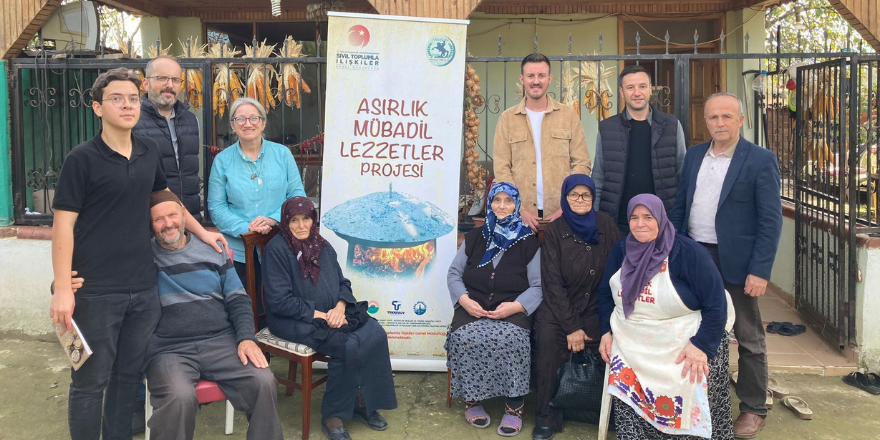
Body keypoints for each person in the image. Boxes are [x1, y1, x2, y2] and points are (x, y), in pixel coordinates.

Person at [50, 68, 226, 440]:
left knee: (127, 380)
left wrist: (203, 233)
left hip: (143, 290)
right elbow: (63, 225)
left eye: (132, 98)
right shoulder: (81, 159)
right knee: (89, 381)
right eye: (116, 99)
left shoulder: (147, 152)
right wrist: (63, 287)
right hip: (95, 290)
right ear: (98, 107)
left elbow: (168, 200)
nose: (127, 105)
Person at [670, 92, 783, 439]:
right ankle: (699, 396)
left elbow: (770, 221)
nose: (719, 123)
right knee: (692, 329)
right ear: (705, 122)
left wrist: (760, 270)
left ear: (741, 119)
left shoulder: (760, 160)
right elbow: (679, 206)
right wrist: (671, 250)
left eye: (726, 117)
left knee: (747, 336)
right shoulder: (693, 156)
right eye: (713, 118)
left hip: (736, 261)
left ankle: (752, 407)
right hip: (694, 255)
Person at [598, 194, 734, 439]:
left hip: (683, 339)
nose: (640, 224)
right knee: (624, 379)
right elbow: (605, 294)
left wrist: (701, 345)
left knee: (692, 375)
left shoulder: (687, 252)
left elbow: (716, 304)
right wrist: (605, 333)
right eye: (634, 218)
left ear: (660, 218)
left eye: (648, 217)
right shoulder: (621, 249)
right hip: (631, 343)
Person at [262, 197, 397, 440]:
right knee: (347, 345)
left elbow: (343, 282)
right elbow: (279, 301)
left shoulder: (321, 244)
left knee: (375, 333)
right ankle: (332, 414)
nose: (302, 225)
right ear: (286, 221)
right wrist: (323, 315)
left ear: (313, 219)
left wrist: (340, 308)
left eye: (306, 219)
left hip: (333, 312)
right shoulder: (276, 250)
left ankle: (362, 401)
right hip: (293, 318)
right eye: (294, 220)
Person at [446, 182, 542, 437]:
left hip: (512, 309)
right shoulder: (475, 237)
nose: (501, 206)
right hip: (472, 307)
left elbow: (538, 285)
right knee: (467, 338)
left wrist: (516, 306)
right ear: (489, 204)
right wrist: (465, 301)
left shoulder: (528, 241)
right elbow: (454, 273)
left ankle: (514, 405)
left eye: (507, 201)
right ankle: (473, 400)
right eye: (496, 200)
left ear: (516, 205)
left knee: (513, 340)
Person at [532, 174, 621, 440]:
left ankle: (594, 409)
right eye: (573, 195)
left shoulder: (606, 224)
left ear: (593, 197)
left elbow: (619, 271)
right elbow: (552, 282)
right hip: (560, 307)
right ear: (565, 198)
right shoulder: (556, 231)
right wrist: (572, 326)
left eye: (586, 195)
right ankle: (546, 415)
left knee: (609, 345)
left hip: (596, 306)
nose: (580, 200)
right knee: (548, 340)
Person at [208, 97, 306, 311]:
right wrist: (248, 229)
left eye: (254, 118)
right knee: (245, 309)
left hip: (281, 245)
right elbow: (216, 207)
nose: (247, 123)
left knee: (281, 307)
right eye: (240, 119)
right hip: (240, 247)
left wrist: (273, 219)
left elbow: (297, 197)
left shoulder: (283, 154)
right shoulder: (222, 161)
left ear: (263, 123)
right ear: (233, 125)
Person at [493, 53, 591, 231]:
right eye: (530, 76)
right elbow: (501, 168)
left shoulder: (568, 116)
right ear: (522, 79)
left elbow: (582, 163)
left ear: (549, 78)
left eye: (541, 75)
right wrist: (517, 208)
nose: (536, 81)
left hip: (561, 214)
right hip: (520, 217)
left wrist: (567, 205)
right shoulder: (507, 119)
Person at [592, 64, 686, 233]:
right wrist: (596, 220)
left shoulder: (671, 125)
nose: (637, 93)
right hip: (617, 223)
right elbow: (598, 178)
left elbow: (682, 175)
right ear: (621, 92)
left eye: (642, 86)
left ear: (650, 90)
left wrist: (679, 221)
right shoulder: (607, 129)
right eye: (630, 87)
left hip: (661, 223)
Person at [134, 55, 203, 221]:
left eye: (175, 80)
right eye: (161, 78)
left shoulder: (191, 120)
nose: (169, 85)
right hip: (149, 220)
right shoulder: (132, 120)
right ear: (145, 83)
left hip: (188, 217)